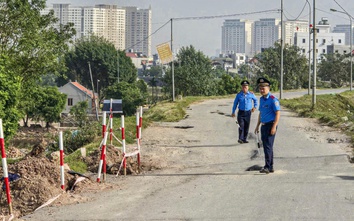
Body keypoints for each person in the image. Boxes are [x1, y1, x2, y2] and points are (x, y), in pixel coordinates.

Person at [254, 77, 280, 174]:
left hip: (271, 125)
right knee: (266, 146)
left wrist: (274, 126)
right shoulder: (262, 99)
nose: (261, 90)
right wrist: (257, 126)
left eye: (263, 88)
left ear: (268, 88)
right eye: (260, 88)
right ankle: (270, 166)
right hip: (264, 125)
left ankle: (267, 166)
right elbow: (261, 113)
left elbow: (278, 113)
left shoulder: (273, 100)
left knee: (268, 146)